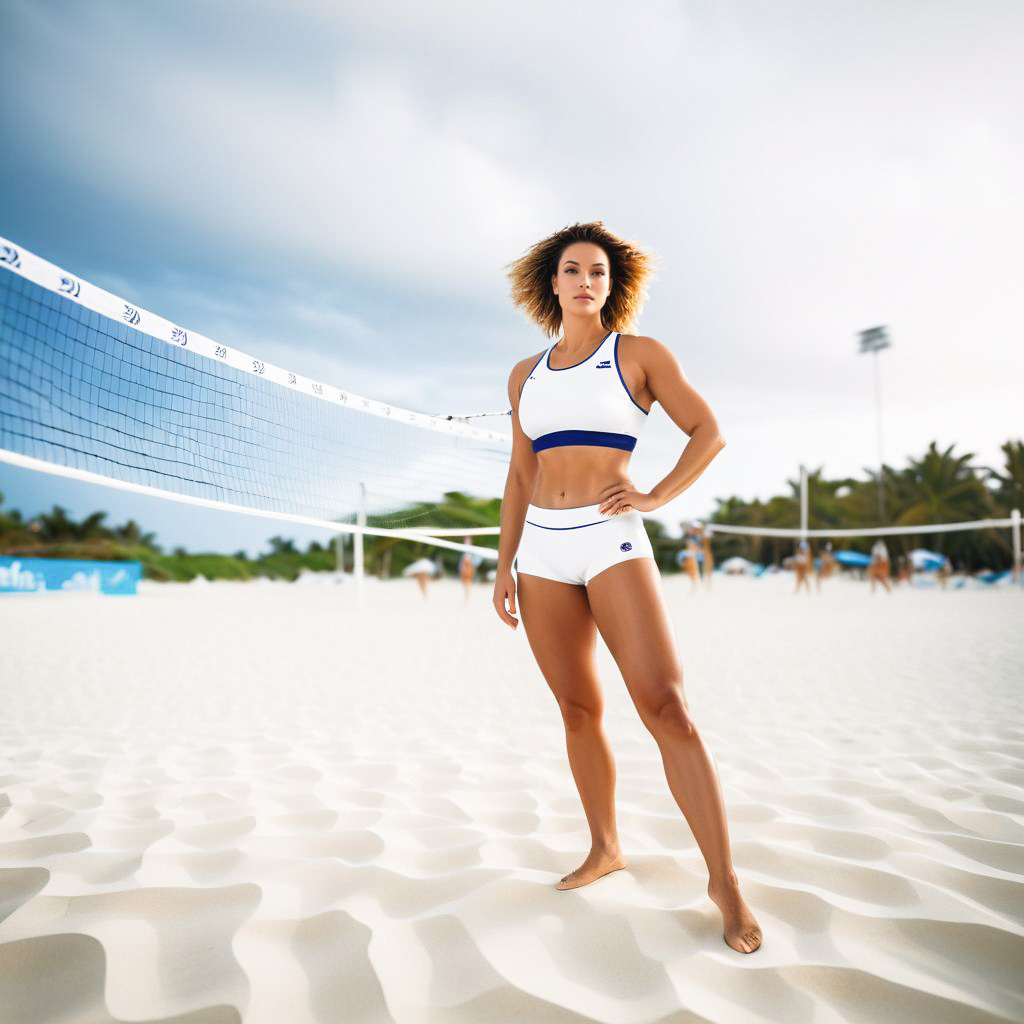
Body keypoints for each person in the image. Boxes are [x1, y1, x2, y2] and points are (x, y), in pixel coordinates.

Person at [492, 221, 762, 954]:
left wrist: (656, 495)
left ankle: (725, 883)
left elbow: (707, 430)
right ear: (552, 283)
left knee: (666, 705)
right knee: (578, 708)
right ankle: (606, 846)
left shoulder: (637, 355)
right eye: (573, 270)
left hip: (610, 537)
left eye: (599, 273)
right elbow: (520, 474)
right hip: (542, 551)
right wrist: (504, 561)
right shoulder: (526, 375)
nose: (586, 281)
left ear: (613, 286)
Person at [459, 536, 480, 602]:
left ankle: (467, 597)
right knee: (466, 583)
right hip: (467, 566)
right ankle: (467, 596)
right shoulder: (468, 551)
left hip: (467, 566)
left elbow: (467, 561)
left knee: (467, 582)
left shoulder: (468, 552)